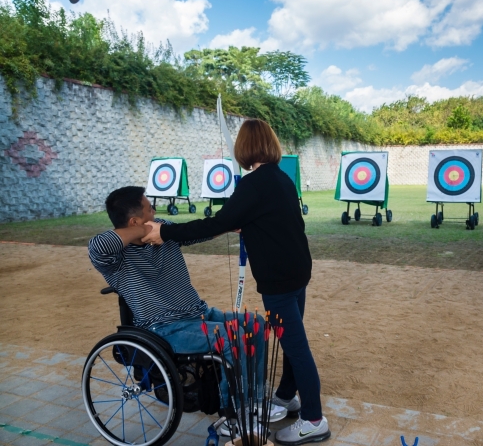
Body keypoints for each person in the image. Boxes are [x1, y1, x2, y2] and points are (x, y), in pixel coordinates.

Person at [142, 119, 330, 446]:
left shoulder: (253, 184)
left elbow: (216, 222)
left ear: (243, 149)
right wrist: (248, 223)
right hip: (297, 272)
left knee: (296, 347)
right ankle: (286, 397)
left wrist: (165, 231)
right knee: (289, 337)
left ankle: (314, 419)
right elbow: (280, 221)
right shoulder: (281, 178)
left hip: (279, 281)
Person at [87, 186, 281, 437]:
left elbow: (193, 232)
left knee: (255, 324)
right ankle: (234, 413)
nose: (155, 212)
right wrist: (147, 230)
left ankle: (252, 399)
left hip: (198, 313)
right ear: (134, 221)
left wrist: (228, 224)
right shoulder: (114, 259)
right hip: (166, 328)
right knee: (233, 339)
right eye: (150, 209)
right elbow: (98, 245)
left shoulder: (163, 229)